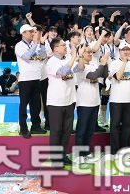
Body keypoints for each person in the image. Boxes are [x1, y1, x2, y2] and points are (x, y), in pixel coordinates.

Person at [46, 37, 82, 166]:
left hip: (70, 100)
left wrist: (80, 56)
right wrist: (74, 57)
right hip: (56, 102)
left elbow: (79, 68)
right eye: (63, 45)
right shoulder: (51, 61)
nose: (65, 47)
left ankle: (63, 155)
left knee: (67, 131)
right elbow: (63, 72)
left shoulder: (67, 59)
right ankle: (56, 159)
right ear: (55, 48)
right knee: (56, 131)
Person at [74, 45, 107, 164]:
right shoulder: (79, 66)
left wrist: (105, 63)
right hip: (84, 102)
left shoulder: (93, 64)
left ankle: (86, 152)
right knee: (82, 129)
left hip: (95, 101)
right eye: (87, 52)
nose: (90, 54)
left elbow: (104, 74)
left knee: (90, 130)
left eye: (91, 52)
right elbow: (93, 76)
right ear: (81, 53)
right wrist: (102, 64)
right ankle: (78, 155)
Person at [15, 24, 48, 137]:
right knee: (24, 105)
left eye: (33, 32)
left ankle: (36, 126)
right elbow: (27, 56)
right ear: (23, 33)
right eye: (30, 31)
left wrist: (41, 44)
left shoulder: (35, 44)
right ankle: (23, 128)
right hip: (25, 79)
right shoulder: (19, 45)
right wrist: (36, 44)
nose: (33, 33)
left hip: (36, 78)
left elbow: (43, 56)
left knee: (36, 104)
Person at [108, 42, 130, 156]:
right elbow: (118, 77)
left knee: (127, 125)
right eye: (123, 50)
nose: (126, 52)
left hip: (129, 99)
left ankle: (125, 149)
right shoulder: (114, 63)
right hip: (116, 99)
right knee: (115, 125)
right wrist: (125, 62)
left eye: (127, 50)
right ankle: (114, 151)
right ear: (119, 51)